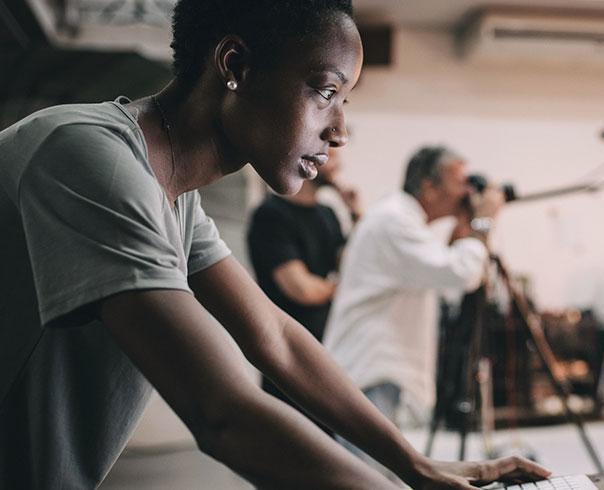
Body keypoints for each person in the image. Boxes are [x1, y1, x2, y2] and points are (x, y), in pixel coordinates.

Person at [0, 1, 549, 488]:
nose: (339, 132)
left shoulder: (173, 198)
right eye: (326, 91)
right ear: (235, 65)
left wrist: (415, 465)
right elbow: (223, 413)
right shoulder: (82, 154)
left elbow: (276, 338)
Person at [322, 146, 505, 438]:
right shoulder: (394, 220)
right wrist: (483, 221)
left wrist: (466, 225)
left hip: (377, 371)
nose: (467, 193)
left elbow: (449, 273)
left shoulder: (402, 218)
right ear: (430, 187)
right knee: (365, 478)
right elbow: (461, 272)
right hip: (371, 374)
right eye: (461, 183)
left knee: (380, 476)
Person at [247, 147, 358, 430]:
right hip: (287, 351)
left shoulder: (328, 214)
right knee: (289, 440)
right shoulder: (271, 215)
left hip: (329, 348)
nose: (339, 164)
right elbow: (302, 289)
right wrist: (339, 287)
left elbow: (353, 267)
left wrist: (356, 215)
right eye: (331, 157)